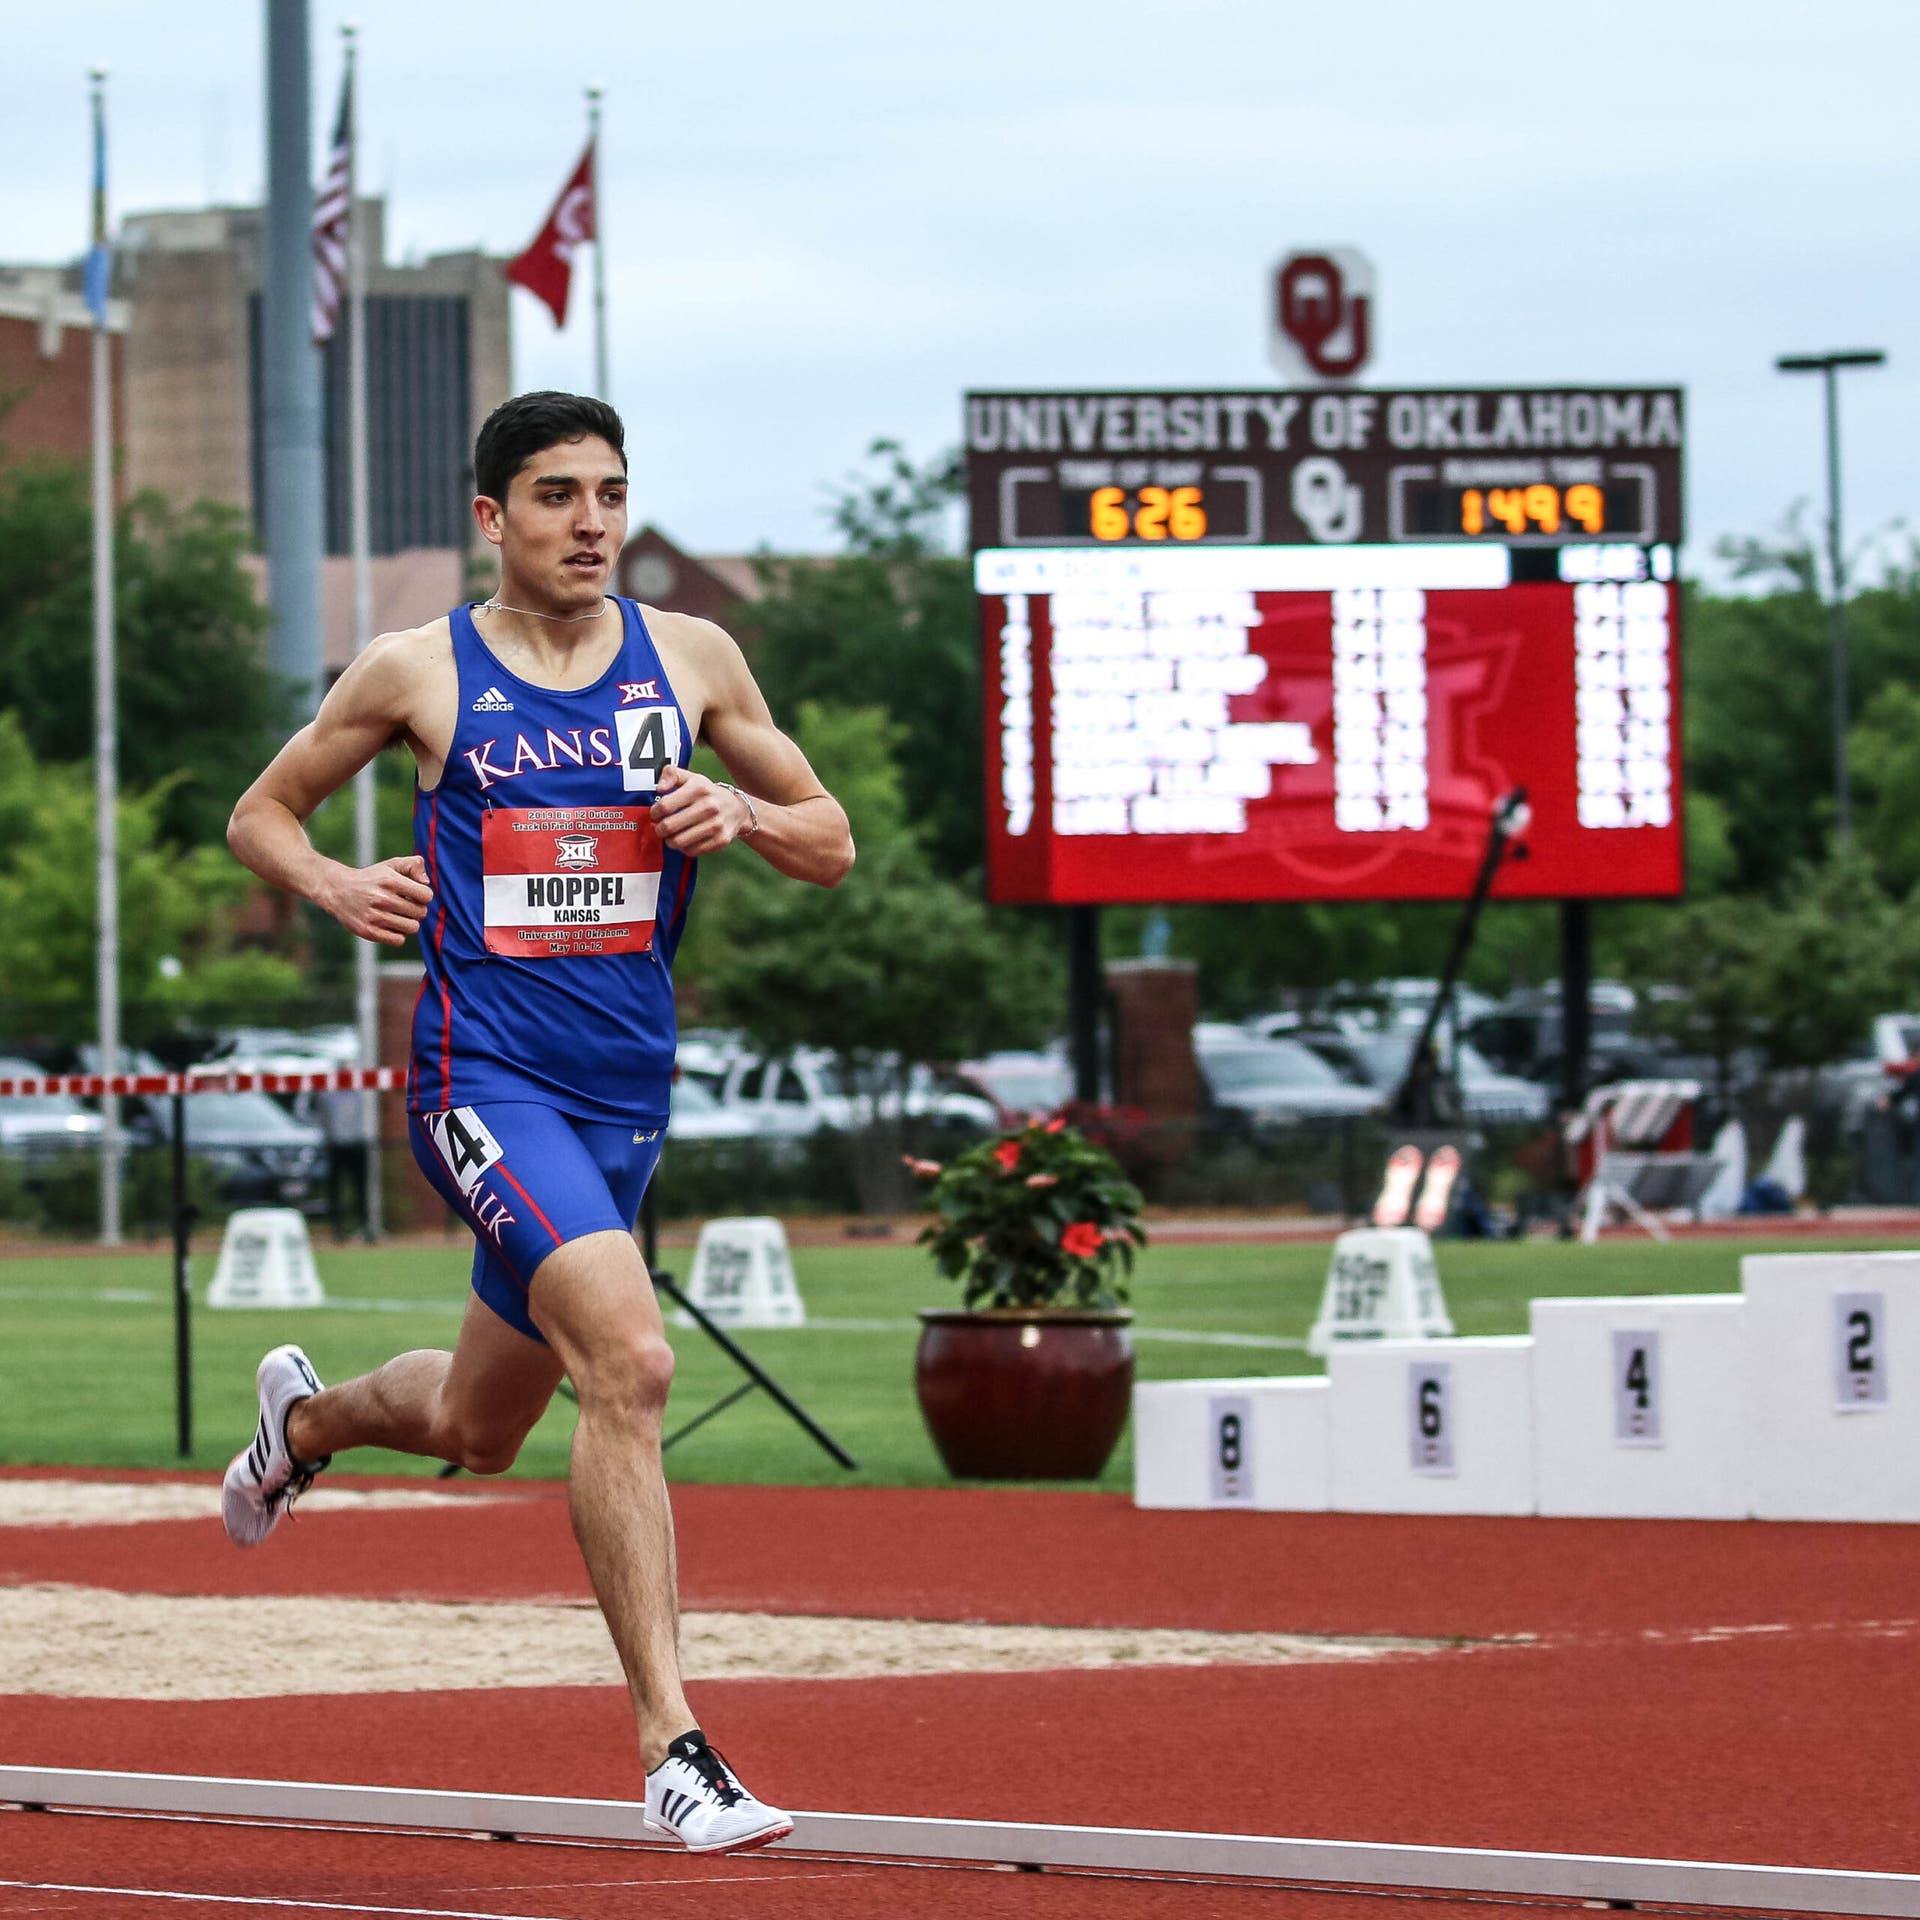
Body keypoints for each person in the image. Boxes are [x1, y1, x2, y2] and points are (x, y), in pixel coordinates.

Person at [219, 391, 853, 1854]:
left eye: (612, 495)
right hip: (481, 1081)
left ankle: (305, 1421)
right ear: (493, 519)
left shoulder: (691, 658)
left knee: (477, 1425)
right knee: (628, 1363)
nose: (593, 524)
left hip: (623, 1090)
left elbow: (832, 839)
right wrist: (336, 886)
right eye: (559, 497)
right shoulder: (417, 672)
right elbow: (264, 815)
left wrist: (744, 818)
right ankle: (675, 1750)